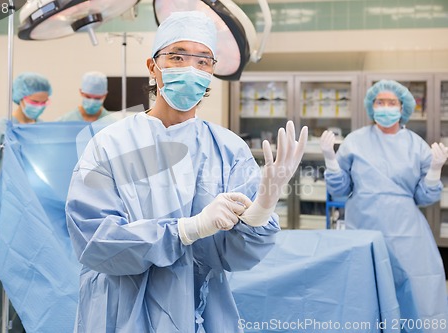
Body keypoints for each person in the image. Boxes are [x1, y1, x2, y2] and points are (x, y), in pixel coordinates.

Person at [65, 11, 307, 333]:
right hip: (121, 312)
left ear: (212, 72)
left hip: (201, 312)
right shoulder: (110, 144)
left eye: (203, 61)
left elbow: (236, 257)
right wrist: (185, 230)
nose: (191, 69)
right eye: (178, 56)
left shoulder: (228, 150)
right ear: (153, 66)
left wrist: (259, 214)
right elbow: (93, 242)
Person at [320, 79, 448, 328]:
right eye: (380, 102)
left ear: (402, 108)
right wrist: (330, 160)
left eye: (391, 102)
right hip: (363, 229)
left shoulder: (416, 145)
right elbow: (340, 190)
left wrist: (434, 170)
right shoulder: (355, 141)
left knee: (415, 293)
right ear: (372, 106)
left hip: (408, 235)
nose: (385, 107)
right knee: (365, 291)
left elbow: (425, 197)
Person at [0, 72, 52, 333]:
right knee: (7, 279)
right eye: (35, 100)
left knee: (36, 279)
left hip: (35, 216)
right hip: (6, 215)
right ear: (21, 97)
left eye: (44, 102)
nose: (39, 106)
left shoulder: (41, 129)